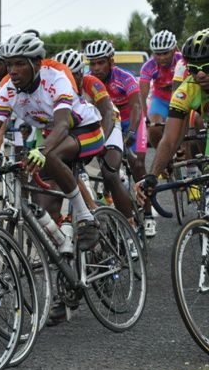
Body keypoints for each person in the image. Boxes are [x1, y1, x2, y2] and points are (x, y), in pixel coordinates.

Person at [0, 33, 103, 249]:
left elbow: (63, 124)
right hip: (56, 137)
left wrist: (42, 150)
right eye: (9, 65)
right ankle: (65, 246)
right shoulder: (8, 89)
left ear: (36, 63)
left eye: (19, 64)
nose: (12, 71)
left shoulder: (55, 78)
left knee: (51, 155)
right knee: (46, 210)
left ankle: (86, 216)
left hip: (86, 130)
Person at [55, 49, 134, 221]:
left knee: (109, 173)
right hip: (79, 130)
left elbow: (106, 112)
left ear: (80, 73)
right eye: (62, 76)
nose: (67, 81)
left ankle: (130, 228)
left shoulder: (91, 82)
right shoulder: (55, 89)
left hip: (107, 124)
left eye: (72, 76)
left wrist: (101, 143)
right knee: (68, 169)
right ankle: (90, 208)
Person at [84, 39, 152, 236]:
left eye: (101, 63)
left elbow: (137, 106)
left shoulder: (125, 77)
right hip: (109, 121)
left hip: (130, 120)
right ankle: (113, 196)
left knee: (138, 163)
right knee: (106, 164)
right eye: (93, 63)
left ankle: (147, 214)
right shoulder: (88, 81)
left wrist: (130, 132)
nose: (96, 68)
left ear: (111, 62)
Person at [139, 29, 209, 203]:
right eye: (194, 68)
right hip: (161, 100)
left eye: (206, 68)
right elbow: (170, 139)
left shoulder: (177, 60)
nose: (200, 74)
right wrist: (152, 176)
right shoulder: (188, 87)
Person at [141, 30, 187, 148]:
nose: (161, 58)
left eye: (165, 53)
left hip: (182, 99)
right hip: (160, 101)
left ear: (173, 50)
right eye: (158, 54)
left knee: (186, 131)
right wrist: (146, 119)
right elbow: (143, 95)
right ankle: (166, 160)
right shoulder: (148, 66)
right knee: (153, 130)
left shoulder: (182, 60)